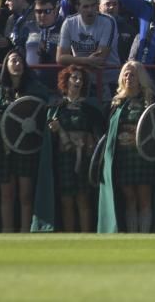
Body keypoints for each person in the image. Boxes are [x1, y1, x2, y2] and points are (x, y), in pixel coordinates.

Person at [97, 61, 155, 233]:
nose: (129, 78)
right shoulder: (116, 103)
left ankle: (143, 236)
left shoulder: (150, 100)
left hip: (144, 156)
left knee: (144, 197)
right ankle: (132, 236)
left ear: (141, 78)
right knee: (129, 197)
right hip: (123, 156)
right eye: (126, 74)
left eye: (133, 74)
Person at [37, 65, 105, 232]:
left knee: (83, 199)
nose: (78, 81)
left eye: (80, 79)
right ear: (66, 81)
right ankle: (69, 238)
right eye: (74, 78)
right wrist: (54, 130)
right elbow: (48, 138)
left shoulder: (90, 109)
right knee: (66, 200)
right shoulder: (56, 108)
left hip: (85, 158)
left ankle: (86, 238)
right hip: (63, 158)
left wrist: (89, 142)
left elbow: (99, 135)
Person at [0, 49, 50, 233]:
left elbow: (46, 106)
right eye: (12, 60)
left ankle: (26, 234)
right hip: (5, 146)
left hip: (27, 147)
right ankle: (7, 233)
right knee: (7, 194)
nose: (16, 64)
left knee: (26, 194)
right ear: (6, 66)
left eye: (19, 60)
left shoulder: (35, 88)